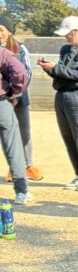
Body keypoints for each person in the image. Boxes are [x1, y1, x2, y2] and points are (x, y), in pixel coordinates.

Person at [37, 14, 78, 190]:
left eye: (67, 33)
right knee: (68, 138)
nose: (65, 37)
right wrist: (49, 68)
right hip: (61, 95)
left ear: (77, 31)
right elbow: (62, 73)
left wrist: (55, 67)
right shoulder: (65, 49)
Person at [0, 18, 44, 182]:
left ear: (9, 31)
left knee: (24, 132)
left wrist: (16, 93)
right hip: (2, 99)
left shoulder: (20, 48)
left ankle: (28, 165)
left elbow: (27, 73)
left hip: (19, 97)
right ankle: (14, 168)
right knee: (7, 133)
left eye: (2, 29)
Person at [1, 44, 32, 203]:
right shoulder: (3, 53)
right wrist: (13, 92)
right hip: (1, 102)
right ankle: (21, 191)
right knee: (13, 146)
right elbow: (20, 73)